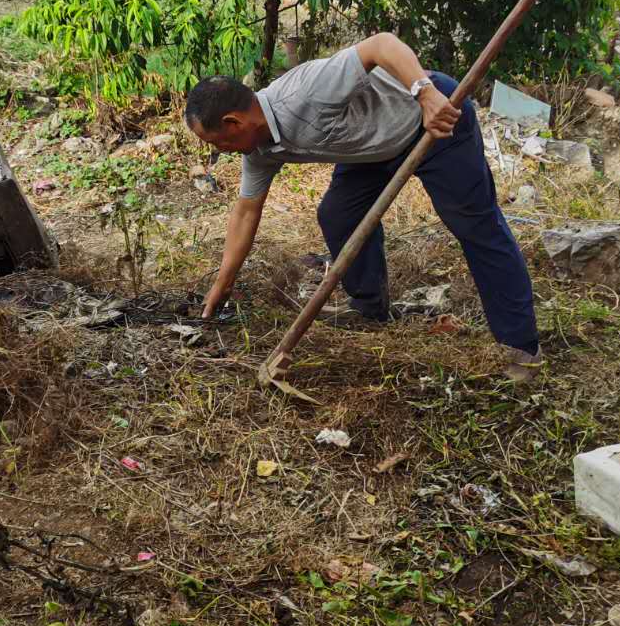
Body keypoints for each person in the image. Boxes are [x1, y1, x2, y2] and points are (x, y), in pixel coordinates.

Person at [184, 33, 541, 382]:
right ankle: (370, 306)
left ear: (234, 122)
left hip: (431, 119)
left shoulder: (304, 92)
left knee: (475, 226)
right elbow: (247, 211)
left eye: (218, 143)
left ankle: (521, 345)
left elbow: (381, 44)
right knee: (339, 214)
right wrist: (223, 283)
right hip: (372, 146)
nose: (222, 151)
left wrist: (427, 94)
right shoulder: (258, 149)